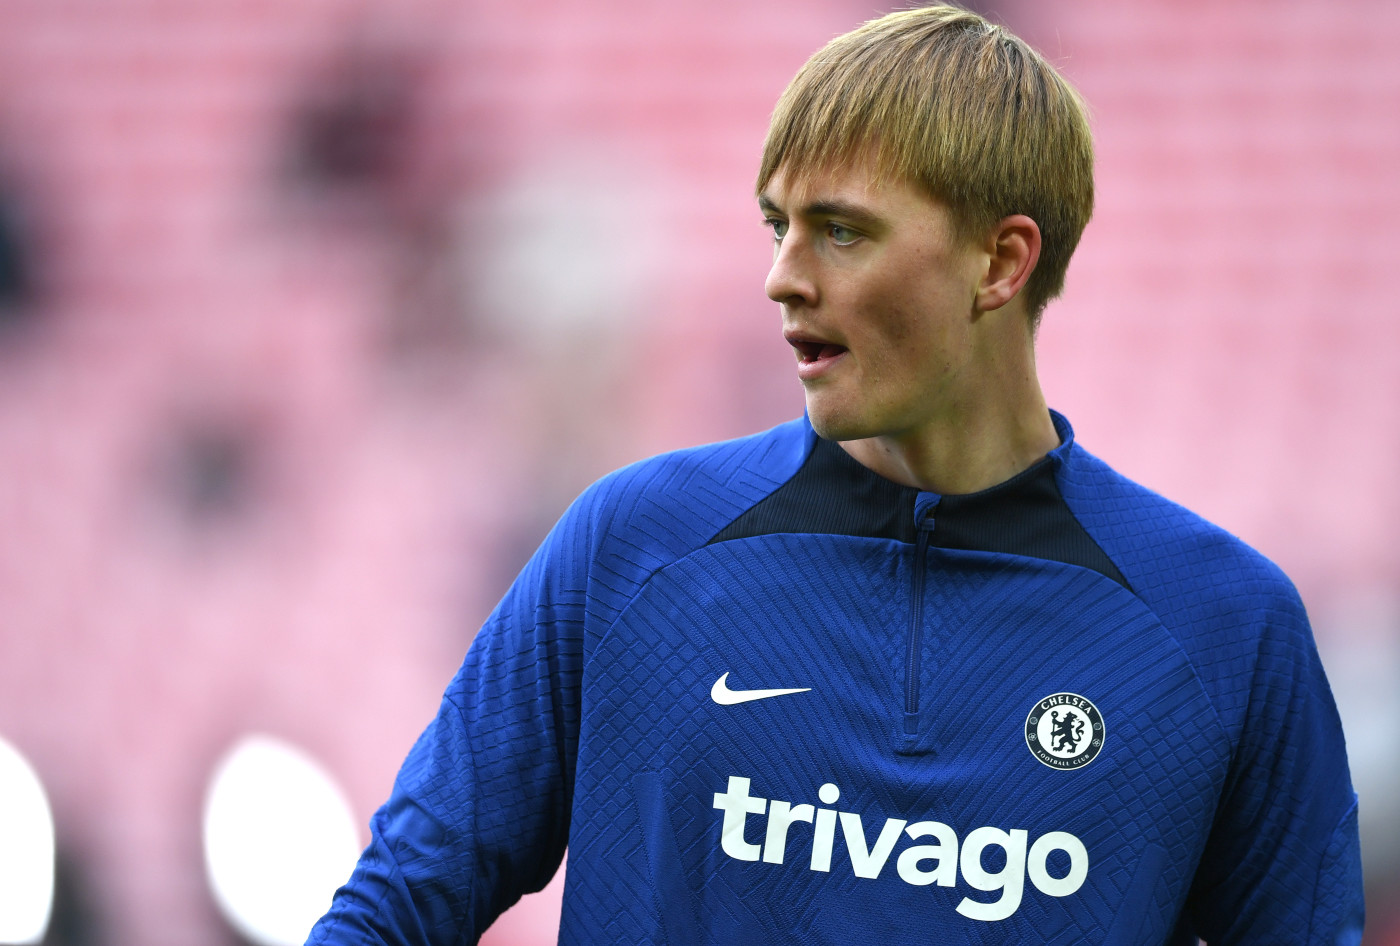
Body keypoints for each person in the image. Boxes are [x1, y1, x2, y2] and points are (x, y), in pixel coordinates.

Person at [308, 6, 1364, 943]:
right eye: (778, 226)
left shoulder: (1221, 628)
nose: (781, 279)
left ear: (998, 263)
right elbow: (404, 898)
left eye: (840, 233)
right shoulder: (631, 549)